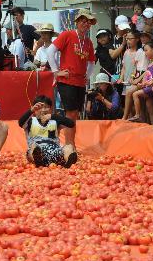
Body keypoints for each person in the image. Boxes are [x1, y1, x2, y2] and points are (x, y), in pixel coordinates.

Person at [45, 9, 97, 148]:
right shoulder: (67, 35)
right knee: (71, 113)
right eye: (83, 20)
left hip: (80, 82)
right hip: (67, 80)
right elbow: (50, 51)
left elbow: (92, 61)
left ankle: (65, 139)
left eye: (88, 22)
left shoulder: (88, 42)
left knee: (74, 114)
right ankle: (69, 144)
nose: (86, 24)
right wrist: (56, 72)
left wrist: (88, 75)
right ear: (77, 21)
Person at [19, 95, 77, 167]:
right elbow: (20, 122)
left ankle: (68, 160)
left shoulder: (55, 121)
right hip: (38, 151)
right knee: (33, 148)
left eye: (46, 107)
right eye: (40, 107)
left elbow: (71, 124)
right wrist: (31, 110)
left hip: (54, 151)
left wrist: (53, 116)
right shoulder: (30, 121)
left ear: (50, 109)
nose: (43, 110)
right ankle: (38, 159)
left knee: (69, 147)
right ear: (35, 110)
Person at [130, 42, 153, 124]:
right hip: (147, 87)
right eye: (144, 51)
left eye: (146, 50)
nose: (145, 53)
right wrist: (142, 83)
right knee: (150, 109)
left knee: (135, 94)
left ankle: (137, 115)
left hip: (152, 88)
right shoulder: (150, 62)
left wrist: (150, 83)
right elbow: (146, 76)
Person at [119, 30, 145, 120]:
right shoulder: (126, 52)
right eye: (127, 39)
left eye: (130, 39)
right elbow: (124, 67)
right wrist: (120, 78)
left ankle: (125, 117)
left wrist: (133, 78)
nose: (128, 41)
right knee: (127, 100)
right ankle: (127, 119)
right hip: (126, 80)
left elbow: (139, 69)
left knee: (134, 103)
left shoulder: (140, 52)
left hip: (134, 80)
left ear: (137, 39)